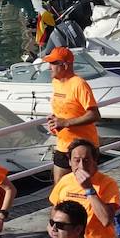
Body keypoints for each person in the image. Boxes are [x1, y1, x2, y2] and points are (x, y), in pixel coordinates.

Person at [45, 46, 102, 184]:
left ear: (64, 65)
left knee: (86, 185)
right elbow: (65, 110)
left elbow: (94, 115)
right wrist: (54, 122)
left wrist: (65, 123)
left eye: (53, 63)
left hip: (84, 147)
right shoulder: (56, 82)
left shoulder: (79, 84)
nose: (48, 67)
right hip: (63, 145)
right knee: (60, 187)